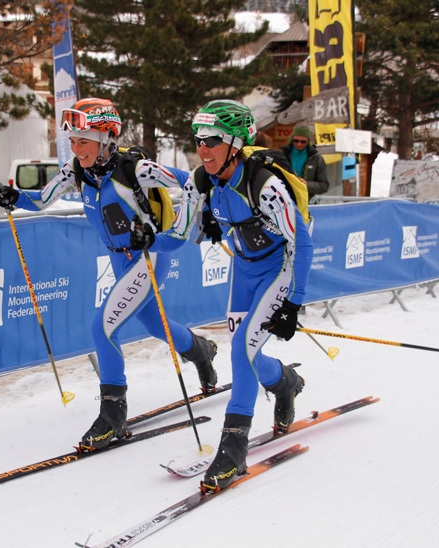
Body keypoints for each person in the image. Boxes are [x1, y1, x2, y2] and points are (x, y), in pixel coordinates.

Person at [0, 98, 219, 451]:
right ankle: (200, 350)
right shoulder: (76, 172)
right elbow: (42, 199)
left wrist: (199, 217)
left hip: (149, 256)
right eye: (73, 141)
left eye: (84, 141)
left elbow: (195, 181)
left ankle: (113, 413)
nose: (76, 148)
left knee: (103, 328)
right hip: (120, 260)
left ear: (107, 139)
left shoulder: (136, 169)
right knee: (154, 324)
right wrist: (15, 196)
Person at [148, 100, 314, 493]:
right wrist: (148, 239)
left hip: (279, 270)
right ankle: (286, 382)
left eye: (212, 141)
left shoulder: (266, 185)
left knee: (242, 350)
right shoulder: (200, 181)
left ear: (235, 144)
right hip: (243, 269)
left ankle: (233, 446)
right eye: (198, 140)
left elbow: (301, 244)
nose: (202, 149)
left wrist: (293, 302)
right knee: (248, 352)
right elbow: (180, 237)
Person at [281, 125, 329, 199]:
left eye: (303, 142)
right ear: (291, 139)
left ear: (308, 142)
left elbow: (324, 186)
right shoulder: (282, 155)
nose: (299, 144)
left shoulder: (316, 159)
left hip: (306, 201)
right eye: (296, 141)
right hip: (284, 199)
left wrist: (306, 184)